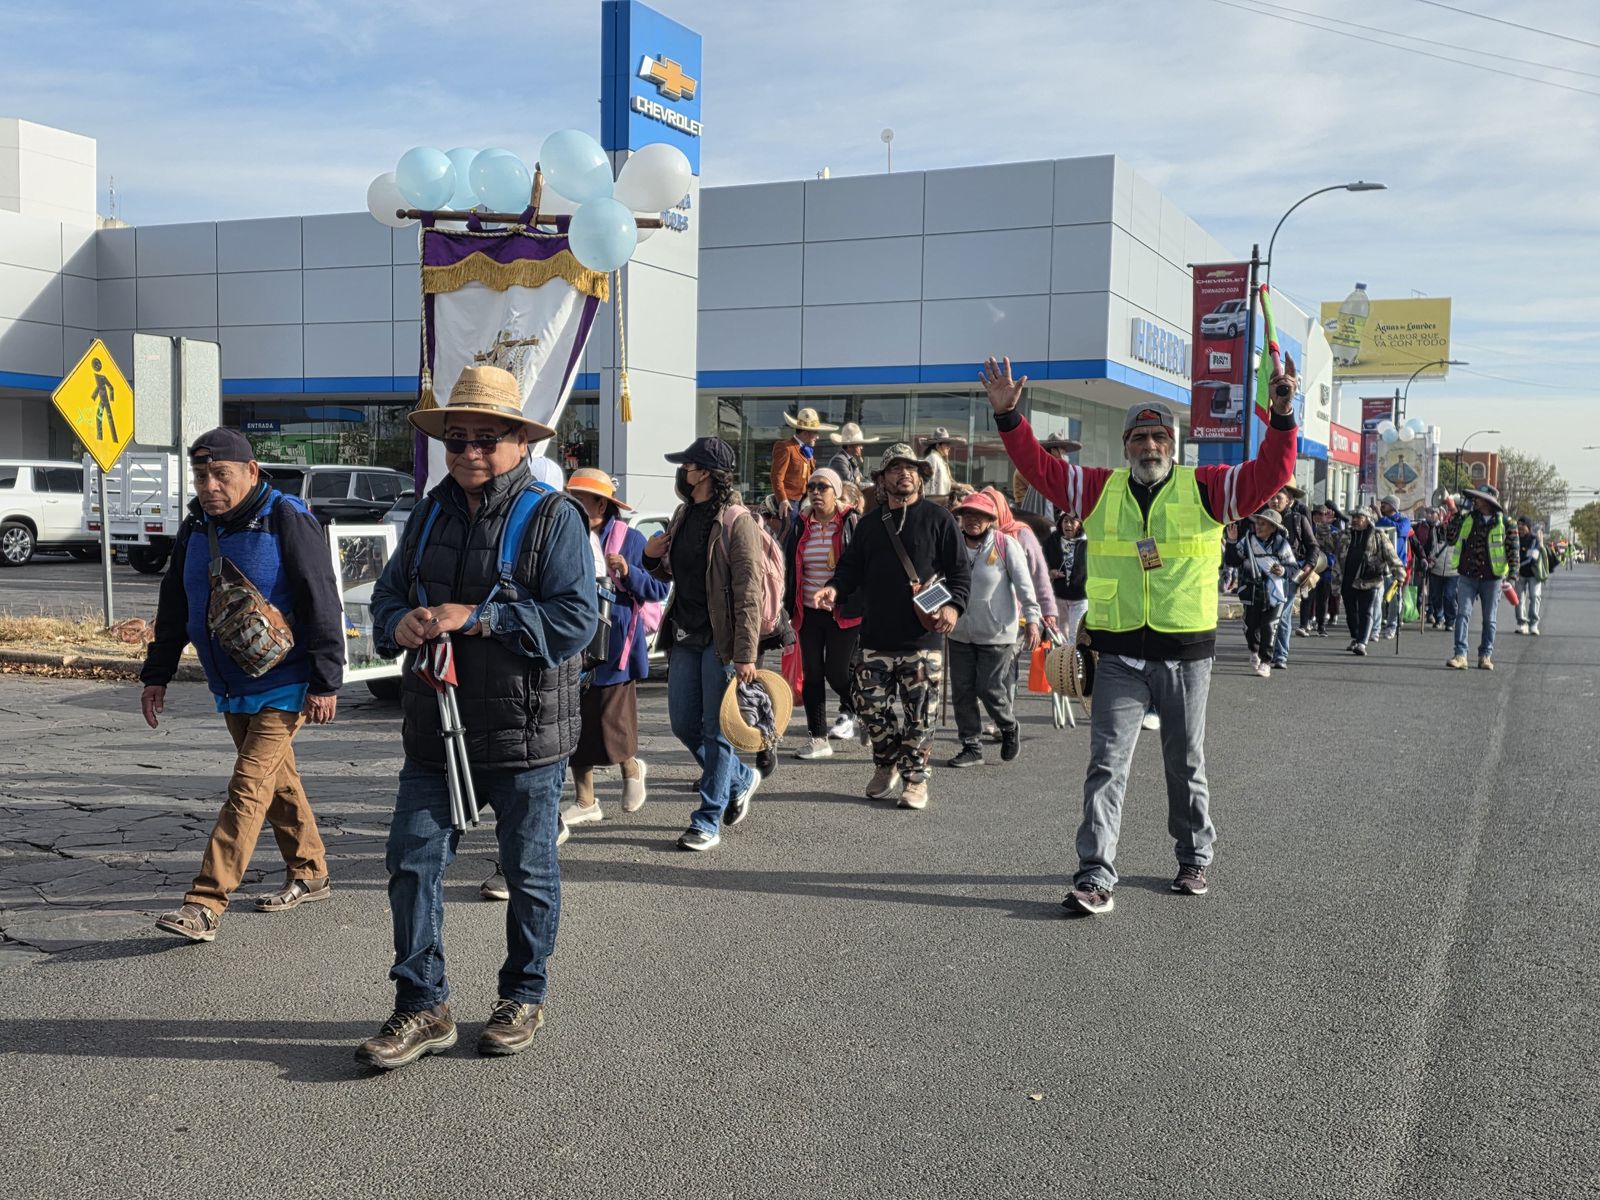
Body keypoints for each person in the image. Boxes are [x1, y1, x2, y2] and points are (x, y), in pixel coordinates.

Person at [984, 351, 1298, 915]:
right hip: (1119, 655)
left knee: (1185, 761)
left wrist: (1280, 415)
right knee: (1106, 763)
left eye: (1158, 438)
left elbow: (1269, 475)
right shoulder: (1096, 488)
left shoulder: (1207, 488)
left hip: (1187, 655)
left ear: (1172, 447)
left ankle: (1194, 854)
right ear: (1126, 446)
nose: (1149, 447)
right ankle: (1095, 874)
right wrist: (1010, 419)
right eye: (1139, 438)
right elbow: (1039, 468)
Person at [358, 366, 597, 1069]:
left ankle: (523, 994)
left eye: (485, 439)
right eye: (456, 439)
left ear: (520, 441)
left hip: (527, 736)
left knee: (528, 871)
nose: (468, 451)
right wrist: (398, 624)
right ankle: (422, 1004)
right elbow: (385, 600)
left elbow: (577, 619)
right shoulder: (428, 513)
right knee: (411, 862)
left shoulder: (554, 517)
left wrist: (483, 618)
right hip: (436, 729)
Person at [141, 428, 344, 943]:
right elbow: (175, 605)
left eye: (221, 475)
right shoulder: (195, 527)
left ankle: (205, 902)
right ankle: (311, 870)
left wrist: (326, 681)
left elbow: (322, 598)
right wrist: (156, 674)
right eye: (202, 475)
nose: (210, 485)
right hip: (232, 682)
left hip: (287, 680)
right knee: (276, 782)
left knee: (247, 787)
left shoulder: (285, 517)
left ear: (251, 472)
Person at [813, 443, 970, 810]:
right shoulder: (870, 524)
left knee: (921, 715)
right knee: (868, 707)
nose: (906, 473)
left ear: (921, 476)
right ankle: (886, 763)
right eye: (896, 468)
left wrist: (953, 606)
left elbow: (961, 573)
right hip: (875, 637)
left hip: (923, 637)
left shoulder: (940, 519)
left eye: (912, 468)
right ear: (882, 479)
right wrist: (833, 589)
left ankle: (915, 778)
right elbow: (849, 569)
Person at [642, 437, 767, 850]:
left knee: (717, 733)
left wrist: (746, 654)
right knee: (682, 723)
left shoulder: (737, 520)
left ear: (707, 473)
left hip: (721, 642)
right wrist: (647, 557)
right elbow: (667, 573)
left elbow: (750, 591)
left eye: (689, 465)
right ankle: (740, 778)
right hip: (683, 634)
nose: (683, 472)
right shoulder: (683, 513)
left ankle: (708, 818)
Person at [555, 469, 671, 837]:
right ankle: (586, 801)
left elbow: (657, 588)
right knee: (572, 724)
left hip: (616, 642)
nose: (571, 505)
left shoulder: (631, 539)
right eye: (569, 497)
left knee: (610, 721)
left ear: (601, 504)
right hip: (573, 641)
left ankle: (631, 767)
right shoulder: (561, 535)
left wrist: (628, 572)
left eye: (579, 499)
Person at [945, 491, 1040, 768]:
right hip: (959, 631)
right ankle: (971, 746)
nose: (973, 520)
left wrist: (1033, 619)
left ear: (990, 519)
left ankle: (1008, 726)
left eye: (980, 515)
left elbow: (1024, 584)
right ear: (961, 518)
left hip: (998, 633)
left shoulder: (1005, 544)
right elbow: (941, 581)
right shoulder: (953, 546)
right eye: (968, 514)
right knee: (962, 691)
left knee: (989, 687)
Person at [783, 468, 863, 758]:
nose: (815, 492)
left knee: (837, 671)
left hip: (843, 610)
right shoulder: (800, 524)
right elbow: (788, 564)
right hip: (808, 610)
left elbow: (862, 566)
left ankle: (860, 708)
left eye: (823, 487)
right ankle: (818, 739)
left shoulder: (852, 522)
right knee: (813, 674)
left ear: (837, 492)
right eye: (812, 486)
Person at [1443, 484, 1519, 670]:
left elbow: (1513, 551)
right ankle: (1460, 655)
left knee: (1489, 619)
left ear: (1488, 501)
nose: (1474, 500)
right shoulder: (1468, 517)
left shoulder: (1507, 523)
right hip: (1468, 575)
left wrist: (1513, 577)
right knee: (1462, 614)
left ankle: (1485, 655)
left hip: (1492, 578)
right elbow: (1450, 538)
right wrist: (1457, 514)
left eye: (1478, 498)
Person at [1225, 508, 1296, 677]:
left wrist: (1283, 570)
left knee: (1269, 627)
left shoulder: (1281, 544)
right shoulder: (1247, 541)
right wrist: (1232, 542)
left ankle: (1266, 661)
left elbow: (1294, 568)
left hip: (1276, 594)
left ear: (1273, 527)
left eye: (1263, 524)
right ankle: (1254, 651)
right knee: (1251, 628)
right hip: (1251, 592)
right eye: (1257, 522)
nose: (1258, 526)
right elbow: (1232, 561)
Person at [1335, 505, 1403, 656]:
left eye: (1359, 517)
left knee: (1366, 611)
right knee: (1351, 612)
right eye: (1354, 517)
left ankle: (1362, 642)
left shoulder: (1378, 535)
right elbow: (1329, 545)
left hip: (1370, 578)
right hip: (1348, 578)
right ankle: (1355, 637)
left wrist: (1399, 573)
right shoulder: (1345, 534)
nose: (1355, 520)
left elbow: (1391, 555)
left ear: (1368, 519)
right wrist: (1324, 527)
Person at [1263, 485, 1314, 667]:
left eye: (1279, 498)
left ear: (1288, 500)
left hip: (1290, 574)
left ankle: (1280, 656)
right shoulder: (1263, 519)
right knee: (1266, 614)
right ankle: (1265, 651)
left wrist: (1308, 566)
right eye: (1272, 497)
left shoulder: (1298, 520)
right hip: (1265, 573)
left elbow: (1312, 546)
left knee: (1282, 614)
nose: (1275, 501)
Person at [770, 407, 837, 518]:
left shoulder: (807, 451)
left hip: (806, 500)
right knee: (792, 531)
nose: (818, 436)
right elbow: (776, 477)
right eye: (815, 432)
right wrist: (783, 500)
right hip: (790, 501)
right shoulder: (786, 447)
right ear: (806, 433)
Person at [1043, 508, 1088, 645]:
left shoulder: (1088, 542)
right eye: (1065, 521)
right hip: (1058, 597)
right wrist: (1050, 572)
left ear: (1080, 524)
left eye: (1072, 522)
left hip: (1080, 597)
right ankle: (1058, 664)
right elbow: (1041, 563)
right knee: (1059, 635)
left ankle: (1073, 664)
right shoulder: (1052, 540)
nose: (1068, 525)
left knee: (1075, 634)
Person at [1011, 432, 1080, 518]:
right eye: (1062, 450)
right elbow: (1026, 502)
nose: (1065, 454)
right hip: (1037, 517)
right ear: (1053, 451)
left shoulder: (1061, 470)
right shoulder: (1032, 471)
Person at [1376, 495, 1413, 639]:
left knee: (1394, 598)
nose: (1382, 506)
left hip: (1396, 566)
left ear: (1393, 506)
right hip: (1380, 563)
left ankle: (1392, 625)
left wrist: (1380, 517)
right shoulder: (1378, 520)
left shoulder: (1404, 521)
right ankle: (1376, 626)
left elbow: (1398, 530)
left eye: (1385, 504)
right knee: (1377, 597)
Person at [1425, 502, 1460, 631]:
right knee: (1435, 596)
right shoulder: (1435, 531)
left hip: (1453, 570)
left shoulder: (1459, 534)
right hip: (1436, 569)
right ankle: (1439, 618)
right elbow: (1431, 548)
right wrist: (1430, 560)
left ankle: (1450, 621)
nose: (1447, 524)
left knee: (1449, 596)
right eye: (1446, 521)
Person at [1514, 516, 1547, 635]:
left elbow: (1531, 558)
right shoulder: (1514, 538)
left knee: (1534, 597)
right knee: (1518, 599)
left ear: (1528, 527)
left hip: (1533, 574)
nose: (1520, 528)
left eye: (1523, 526)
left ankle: (1533, 624)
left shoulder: (1534, 539)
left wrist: (1516, 565)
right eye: (1518, 526)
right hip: (1519, 574)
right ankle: (1522, 624)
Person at [826, 421, 879, 492]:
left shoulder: (851, 459)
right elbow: (851, 484)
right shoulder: (839, 460)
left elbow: (861, 478)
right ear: (850, 446)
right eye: (859, 445)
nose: (861, 447)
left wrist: (872, 484)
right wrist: (868, 484)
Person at [920, 427, 964, 501]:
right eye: (946, 445)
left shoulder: (939, 459)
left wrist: (960, 486)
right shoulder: (932, 459)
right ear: (938, 446)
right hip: (933, 503)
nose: (949, 447)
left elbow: (944, 482)